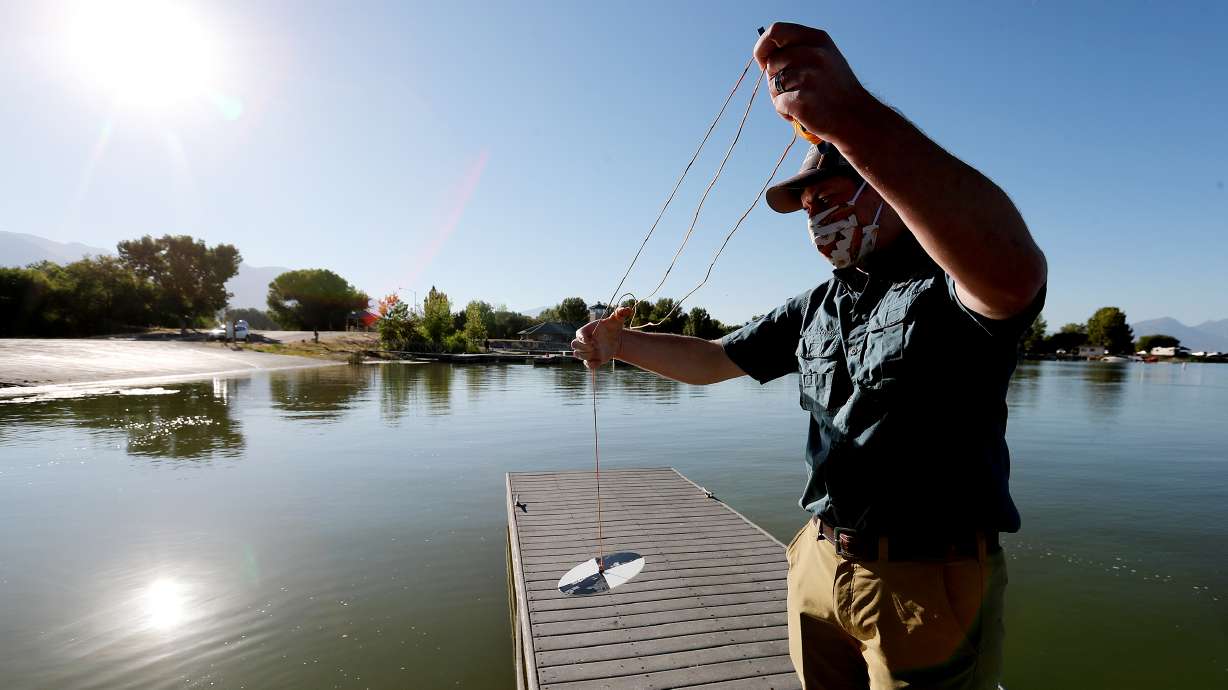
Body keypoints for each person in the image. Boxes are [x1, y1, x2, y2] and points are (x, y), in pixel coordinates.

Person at [571, 22, 1046, 690]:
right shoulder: (816, 306)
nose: (816, 216)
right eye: (807, 207)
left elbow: (1012, 275)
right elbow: (713, 360)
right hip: (820, 563)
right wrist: (621, 344)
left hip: (926, 583)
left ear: (885, 188)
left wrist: (848, 117)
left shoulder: (952, 289)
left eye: (829, 197)